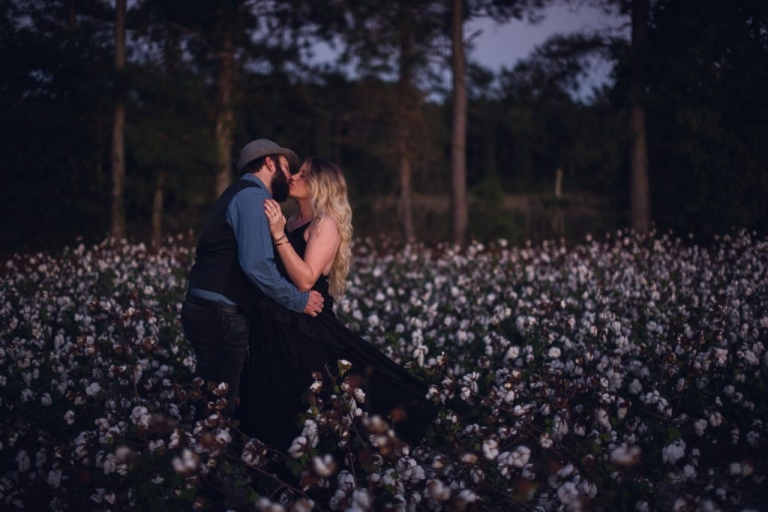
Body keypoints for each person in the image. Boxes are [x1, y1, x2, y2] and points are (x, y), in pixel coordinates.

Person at [238, 157, 438, 451]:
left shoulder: (325, 224)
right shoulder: (291, 221)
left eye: (303, 174)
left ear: (321, 186)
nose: (293, 176)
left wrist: (278, 235)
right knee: (274, 399)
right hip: (276, 324)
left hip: (307, 327)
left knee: (317, 396)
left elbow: (305, 281)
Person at [180, 139, 324, 417]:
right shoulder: (253, 198)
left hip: (209, 308)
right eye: (286, 167)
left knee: (210, 394)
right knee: (217, 403)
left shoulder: (236, 193)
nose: (290, 175)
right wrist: (299, 300)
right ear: (269, 163)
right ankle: (205, 444)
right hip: (220, 313)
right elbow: (257, 265)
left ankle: (201, 441)